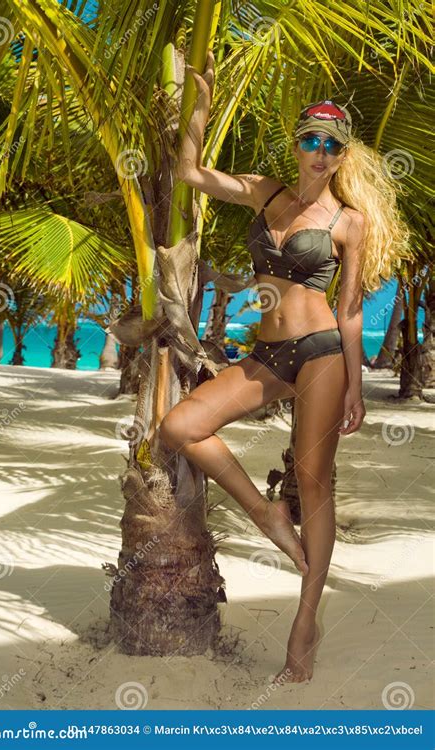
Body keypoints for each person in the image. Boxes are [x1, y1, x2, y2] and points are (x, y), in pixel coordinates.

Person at [159, 50, 411, 683]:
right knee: (181, 427)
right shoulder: (264, 194)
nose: (320, 152)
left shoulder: (348, 222)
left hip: (322, 352)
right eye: (310, 141)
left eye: (331, 144)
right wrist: (203, 97)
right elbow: (189, 171)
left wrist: (356, 383)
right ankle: (266, 513)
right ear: (296, 146)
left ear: (342, 154)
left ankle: (306, 615)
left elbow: (350, 310)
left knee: (315, 480)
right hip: (266, 355)